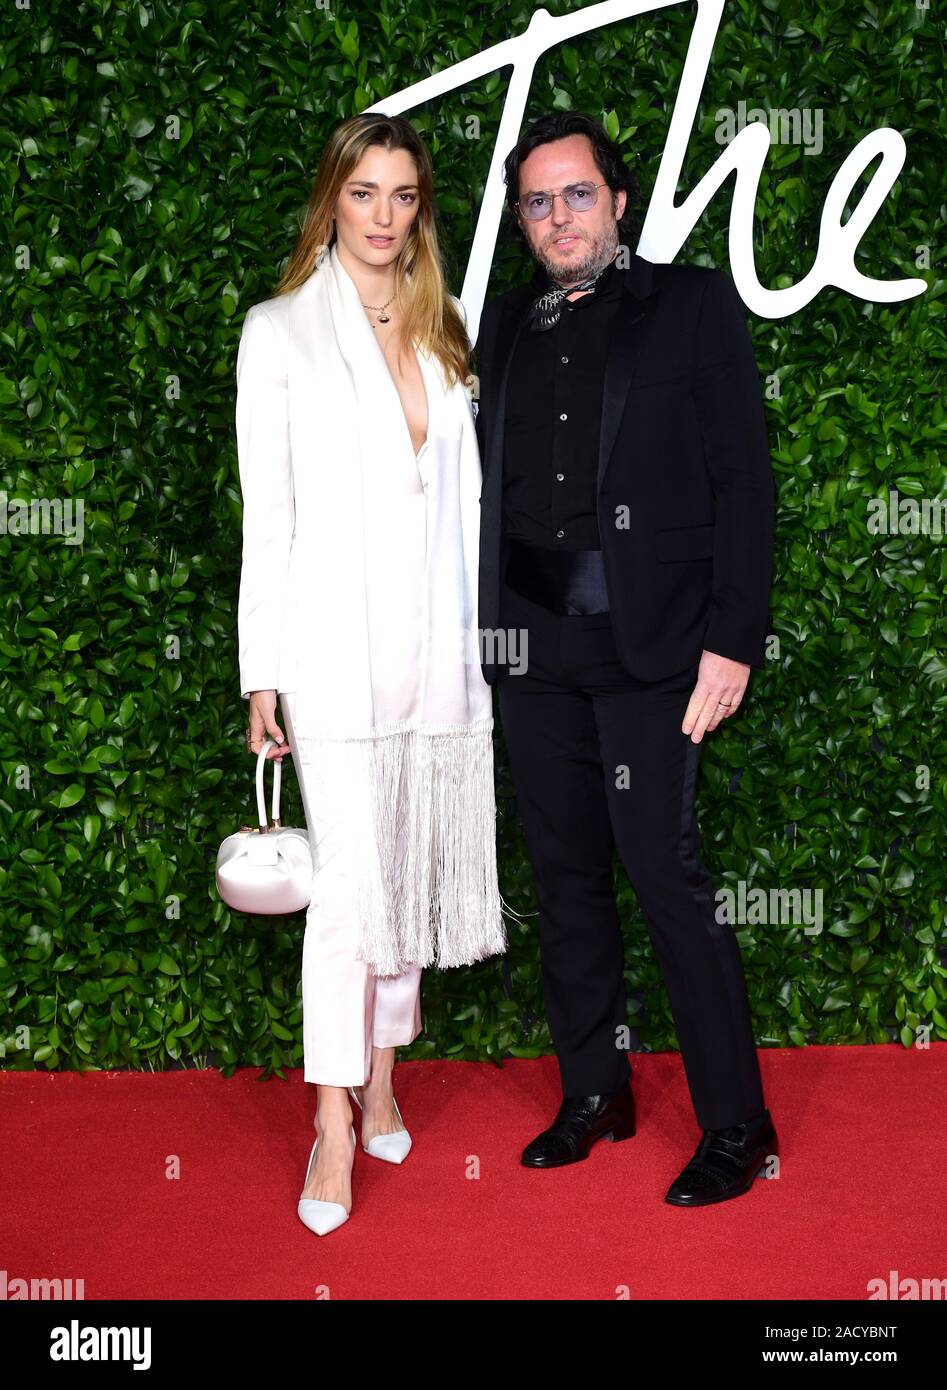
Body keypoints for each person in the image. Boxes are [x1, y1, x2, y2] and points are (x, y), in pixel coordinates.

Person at [474, 111, 778, 1206]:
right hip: (533, 651)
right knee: (563, 884)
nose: (557, 217)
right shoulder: (500, 325)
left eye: (576, 194)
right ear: (521, 220)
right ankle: (595, 1091)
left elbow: (743, 483)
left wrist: (730, 638)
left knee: (664, 878)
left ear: (618, 200)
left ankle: (737, 1125)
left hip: (652, 654)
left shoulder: (691, 308)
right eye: (536, 201)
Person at [235, 112, 506, 1236]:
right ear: (330, 202)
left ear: (418, 209)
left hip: (438, 656)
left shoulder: (446, 332)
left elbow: (469, 510)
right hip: (329, 657)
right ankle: (333, 1120)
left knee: (408, 869)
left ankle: (386, 1072)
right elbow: (271, 515)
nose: (384, 217)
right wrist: (260, 672)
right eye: (364, 194)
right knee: (348, 889)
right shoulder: (279, 334)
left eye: (403, 195)